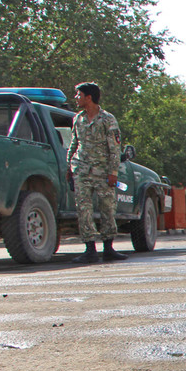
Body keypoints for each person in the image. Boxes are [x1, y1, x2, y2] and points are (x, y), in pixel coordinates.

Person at [66, 82, 125, 263]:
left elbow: (114, 148)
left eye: (79, 95)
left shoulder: (108, 119)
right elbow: (74, 144)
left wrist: (113, 172)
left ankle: (108, 248)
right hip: (82, 170)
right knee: (83, 209)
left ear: (88, 97)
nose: (76, 98)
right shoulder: (78, 119)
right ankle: (90, 249)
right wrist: (69, 165)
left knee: (107, 207)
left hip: (103, 172)